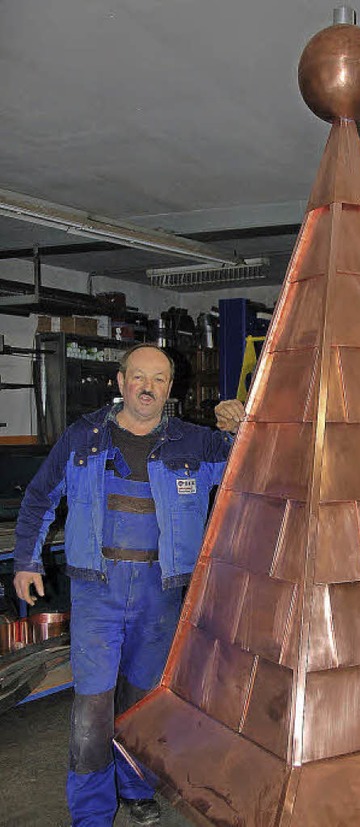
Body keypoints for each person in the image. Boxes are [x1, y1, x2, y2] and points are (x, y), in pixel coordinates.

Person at [13, 344, 245, 827]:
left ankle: (136, 787)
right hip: (98, 589)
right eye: (138, 376)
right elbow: (39, 497)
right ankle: (92, 813)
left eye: (158, 379)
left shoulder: (195, 443)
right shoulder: (82, 436)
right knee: (92, 707)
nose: (147, 387)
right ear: (120, 383)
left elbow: (253, 466)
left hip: (161, 592)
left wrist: (240, 426)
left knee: (142, 702)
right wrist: (26, 561)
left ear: (169, 388)